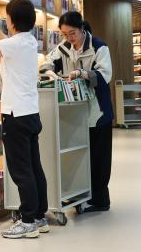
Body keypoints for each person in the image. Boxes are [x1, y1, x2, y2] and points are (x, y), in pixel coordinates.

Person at [0, 0, 49, 238]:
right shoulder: (28, 42)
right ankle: (39, 217)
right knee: (34, 168)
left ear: (13, 21)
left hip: (15, 115)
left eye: (6, 17)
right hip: (31, 114)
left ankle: (27, 221)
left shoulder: (15, 45)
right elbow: (5, 41)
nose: (5, 20)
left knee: (20, 171)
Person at [41, 11, 114, 211]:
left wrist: (83, 73)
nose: (69, 38)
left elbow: (104, 75)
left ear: (82, 29)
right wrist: (51, 73)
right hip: (74, 114)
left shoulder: (99, 47)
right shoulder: (63, 48)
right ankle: (80, 196)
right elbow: (47, 63)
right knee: (78, 156)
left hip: (97, 112)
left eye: (72, 33)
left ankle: (100, 200)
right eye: (65, 34)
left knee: (99, 158)